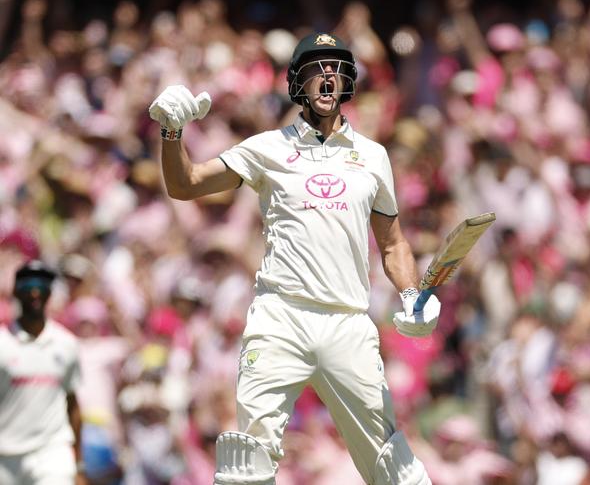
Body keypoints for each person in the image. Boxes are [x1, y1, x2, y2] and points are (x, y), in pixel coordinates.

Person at [149, 32, 440, 485]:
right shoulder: (267, 148)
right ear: (297, 82)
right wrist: (171, 132)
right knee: (246, 462)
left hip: (347, 320)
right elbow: (185, 184)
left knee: (395, 467)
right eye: (316, 68)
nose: (327, 76)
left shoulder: (373, 156)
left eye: (336, 68)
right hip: (280, 315)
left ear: (347, 82)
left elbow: (393, 243)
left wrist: (410, 294)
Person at [0, 260, 87, 485]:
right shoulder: (2, 343)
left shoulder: (66, 344)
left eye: (42, 284)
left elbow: (73, 404)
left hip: (51, 453)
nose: (35, 291)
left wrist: (78, 463)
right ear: (16, 292)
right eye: (27, 285)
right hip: (6, 457)